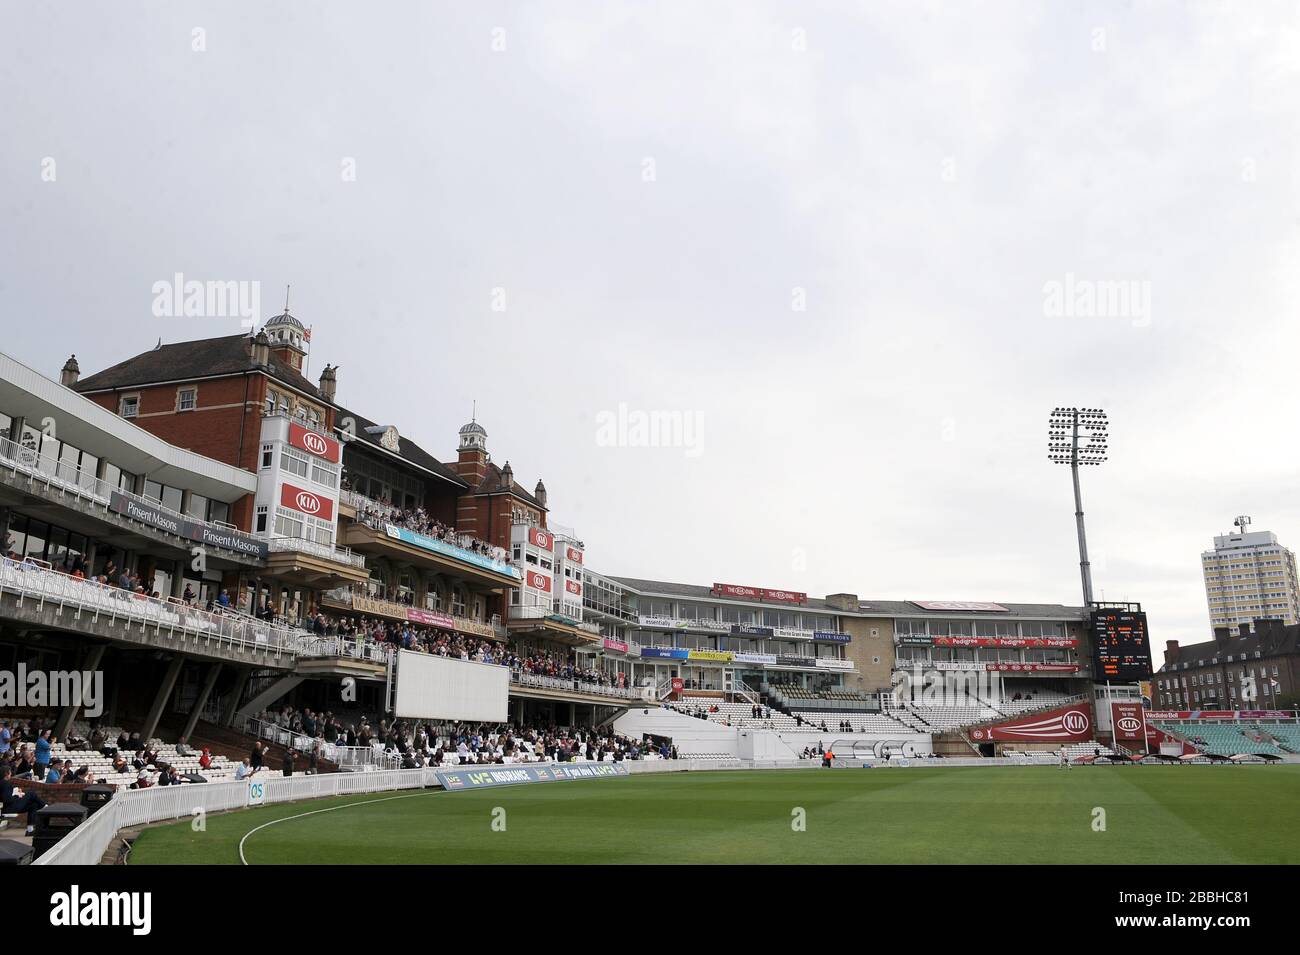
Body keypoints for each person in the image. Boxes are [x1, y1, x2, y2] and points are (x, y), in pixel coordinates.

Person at [0, 765, 46, 835]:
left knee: (33, 805)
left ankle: (29, 830)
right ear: (6, 773)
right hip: (9, 808)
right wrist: (17, 795)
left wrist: (16, 793)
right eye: (10, 772)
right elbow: (7, 799)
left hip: (8, 806)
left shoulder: (3, 783)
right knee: (31, 794)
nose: (11, 774)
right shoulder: (5, 783)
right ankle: (45, 806)